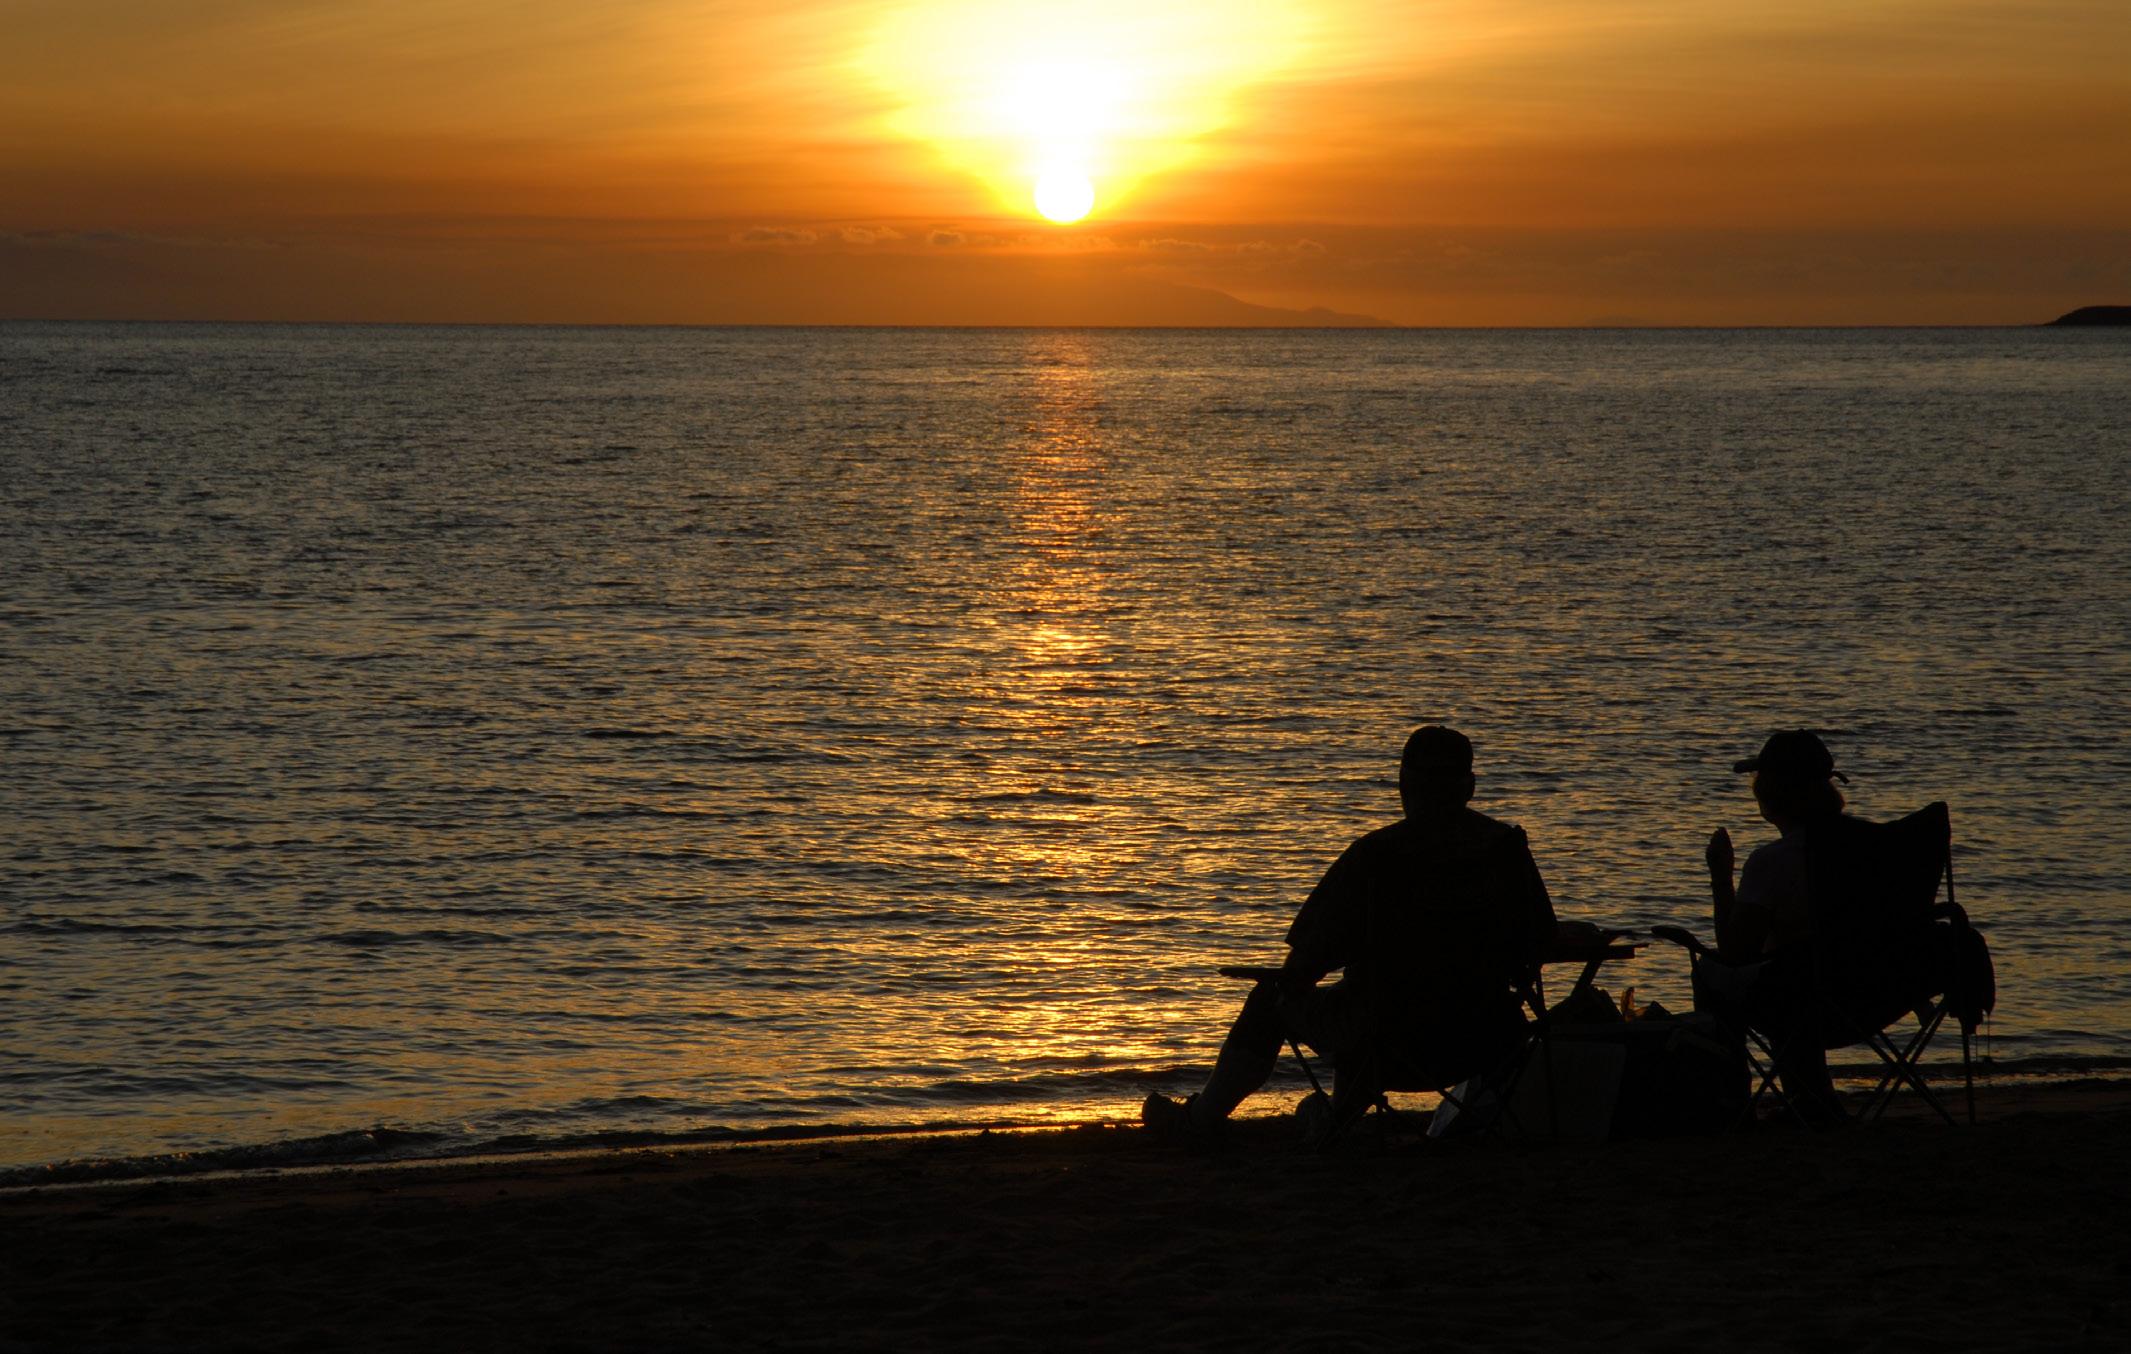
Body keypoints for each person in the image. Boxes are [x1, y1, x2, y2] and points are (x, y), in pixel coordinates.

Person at [1141, 725, 1557, 1143]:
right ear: (1470, 786)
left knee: (1275, 1000)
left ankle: (1200, 1122)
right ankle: (1336, 1118)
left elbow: (1304, 966)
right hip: (1487, 1038)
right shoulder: (1505, 851)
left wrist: (1294, 978)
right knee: (1364, 1001)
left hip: (1390, 1041)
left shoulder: (1377, 857)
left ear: (1404, 784)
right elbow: (1543, 940)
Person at [1703, 729, 1880, 1122]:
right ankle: (1812, 1098)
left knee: (1712, 971)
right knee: (1799, 968)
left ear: (1770, 795)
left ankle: (1733, 1101)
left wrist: (1720, 877)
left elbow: (1735, 952)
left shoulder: (1773, 860)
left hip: (1808, 999)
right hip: (1881, 990)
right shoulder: (1872, 847)